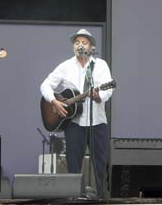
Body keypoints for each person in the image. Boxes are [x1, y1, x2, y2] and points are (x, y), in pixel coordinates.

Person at [40, 29, 113, 198]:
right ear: (73, 46)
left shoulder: (100, 65)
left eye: (84, 42)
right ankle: (73, 198)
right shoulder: (65, 66)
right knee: (73, 165)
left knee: (101, 165)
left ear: (91, 47)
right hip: (74, 124)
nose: (80, 45)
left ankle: (102, 198)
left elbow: (108, 90)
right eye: (77, 42)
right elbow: (45, 85)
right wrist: (54, 101)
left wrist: (98, 96)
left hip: (98, 123)